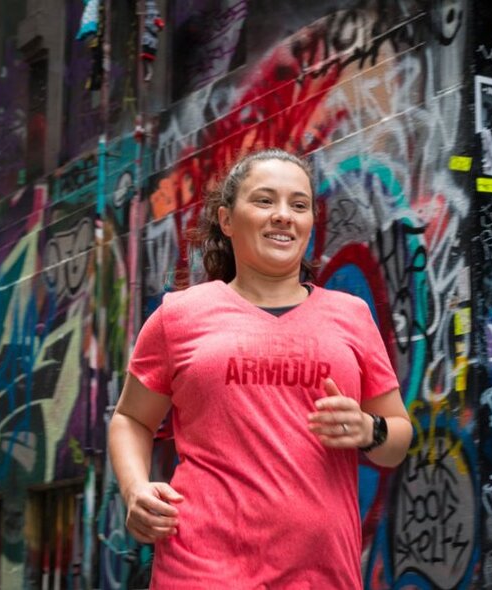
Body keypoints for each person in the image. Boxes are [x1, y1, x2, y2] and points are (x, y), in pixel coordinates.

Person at [107, 148, 412, 589]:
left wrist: (370, 430)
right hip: (201, 566)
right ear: (228, 221)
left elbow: (397, 439)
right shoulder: (180, 316)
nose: (284, 215)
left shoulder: (351, 315)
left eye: (299, 204)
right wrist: (135, 489)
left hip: (323, 572)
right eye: (265, 201)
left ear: (310, 223)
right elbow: (131, 417)